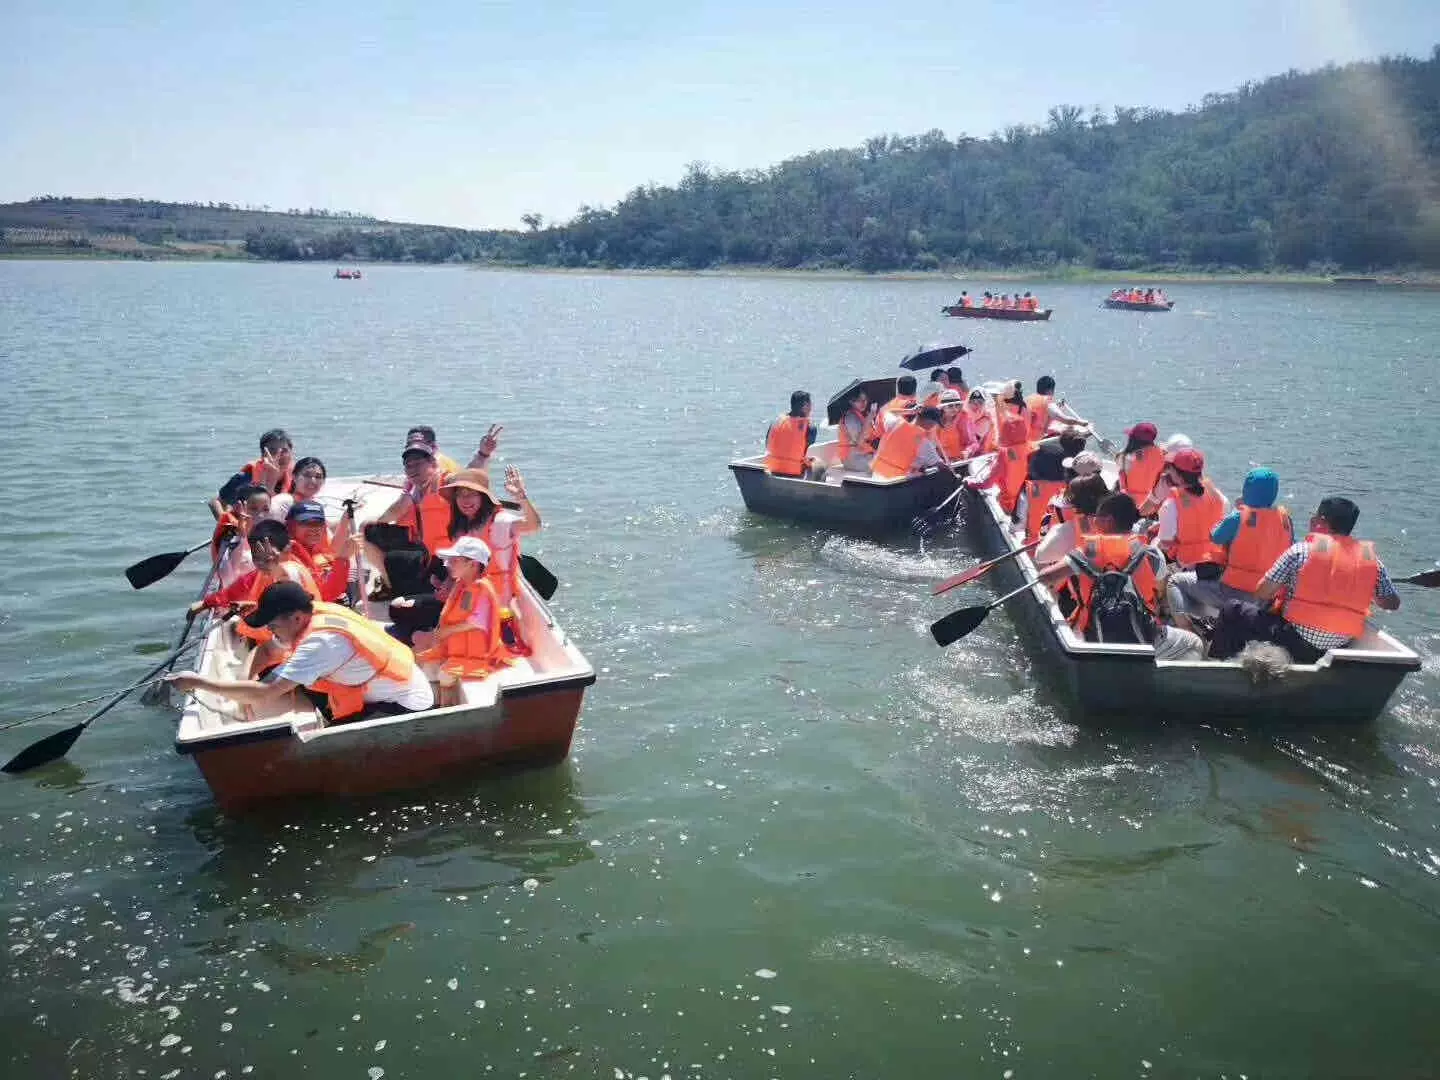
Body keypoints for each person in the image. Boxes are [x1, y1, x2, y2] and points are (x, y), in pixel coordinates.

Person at [167, 581, 434, 722]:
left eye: (272, 624)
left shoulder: (319, 643)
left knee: (332, 754)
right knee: (280, 676)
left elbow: (268, 693)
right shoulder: (310, 614)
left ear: (295, 617)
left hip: (404, 706)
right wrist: (245, 684)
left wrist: (199, 683)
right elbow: (268, 651)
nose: (271, 631)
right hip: (371, 687)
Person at [1034, 494, 1204, 659]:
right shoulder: (1152, 553)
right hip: (1145, 640)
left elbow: (1046, 576)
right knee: (1194, 643)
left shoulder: (1089, 550)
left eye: (1097, 517)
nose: (1093, 521)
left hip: (1097, 638)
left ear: (1108, 521)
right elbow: (1159, 591)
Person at [1246, 497, 1400, 663]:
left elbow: (1262, 592)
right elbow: (1392, 603)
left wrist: (1289, 582)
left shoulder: (1302, 550)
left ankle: (1224, 663)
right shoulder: (1371, 559)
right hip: (1340, 646)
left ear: (1320, 520)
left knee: (1233, 610)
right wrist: (1367, 588)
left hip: (1295, 640)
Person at [1167, 468, 1293, 625]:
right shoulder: (1285, 519)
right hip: (1266, 596)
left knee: (1175, 581)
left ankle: (1189, 630)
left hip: (1232, 592)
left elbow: (1215, 536)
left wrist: (1238, 507)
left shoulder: (1239, 515)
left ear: (1246, 489)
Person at [412, 537, 508, 707]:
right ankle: (433, 704)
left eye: (454, 560)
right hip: (456, 647)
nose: (448, 564)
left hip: (478, 655)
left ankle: (445, 709)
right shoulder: (464, 586)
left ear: (473, 564)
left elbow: (476, 622)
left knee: (444, 674)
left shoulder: (481, 589)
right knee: (426, 666)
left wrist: (446, 632)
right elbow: (461, 613)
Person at [1156, 447, 1229, 568]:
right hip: (1216, 561)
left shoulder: (1171, 504)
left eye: (1171, 468)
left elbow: (1165, 542)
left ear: (1178, 475)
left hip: (1188, 564)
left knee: (1154, 547)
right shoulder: (1217, 495)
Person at [210, 429, 296, 519]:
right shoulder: (246, 477)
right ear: (263, 455)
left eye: (284, 451)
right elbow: (216, 502)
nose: (279, 456)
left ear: (291, 451)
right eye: (272, 451)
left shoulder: (298, 477)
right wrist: (227, 526)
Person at [285, 499, 355, 603]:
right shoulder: (287, 558)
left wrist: (345, 520)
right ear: (291, 526)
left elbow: (333, 549)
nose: (314, 529)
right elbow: (323, 597)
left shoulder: (316, 547)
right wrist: (342, 559)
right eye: (306, 523)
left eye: (318, 523)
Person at [871, 407, 945, 478]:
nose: (934, 426)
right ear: (929, 421)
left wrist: (910, 411)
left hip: (877, 473)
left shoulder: (895, 423)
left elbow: (887, 412)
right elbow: (940, 465)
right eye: (934, 423)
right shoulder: (923, 442)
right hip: (896, 480)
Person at [764, 390, 818, 478]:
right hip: (794, 472)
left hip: (773, 469)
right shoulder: (810, 427)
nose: (811, 408)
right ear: (805, 406)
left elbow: (767, 445)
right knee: (820, 465)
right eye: (810, 405)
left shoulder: (776, 421)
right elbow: (806, 453)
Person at [1116, 422, 1164, 508]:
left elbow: (1119, 464)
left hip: (1129, 502)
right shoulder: (1162, 455)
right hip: (1151, 503)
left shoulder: (1125, 457)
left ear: (1133, 439)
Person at [269, 456, 328, 522]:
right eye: (307, 475)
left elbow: (326, 528)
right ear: (294, 477)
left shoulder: (315, 506)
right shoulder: (282, 502)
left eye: (318, 477)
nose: (313, 480)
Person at [870, 375, 919, 446]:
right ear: (915, 391)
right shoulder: (912, 406)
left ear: (898, 390)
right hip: (901, 447)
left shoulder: (884, 407)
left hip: (883, 446)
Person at [836, 387, 875, 472]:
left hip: (865, 454)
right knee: (881, 468)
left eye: (865, 400)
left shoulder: (864, 415)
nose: (863, 403)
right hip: (852, 458)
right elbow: (859, 442)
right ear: (851, 402)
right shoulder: (850, 418)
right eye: (859, 400)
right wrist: (869, 419)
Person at [962, 388, 996, 456]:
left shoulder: (986, 420)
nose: (976, 405)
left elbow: (975, 441)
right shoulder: (967, 417)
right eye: (972, 402)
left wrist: (965, 452)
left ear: (985, 404)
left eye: (980, 402)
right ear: (968, 403)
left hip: (984, 457)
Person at [1026, 376, 1056, 441]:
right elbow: (1046, 428)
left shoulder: (1029, 399)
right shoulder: (1048, 401)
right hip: (1037, 439)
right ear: (1050, 390)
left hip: (1026, 437)